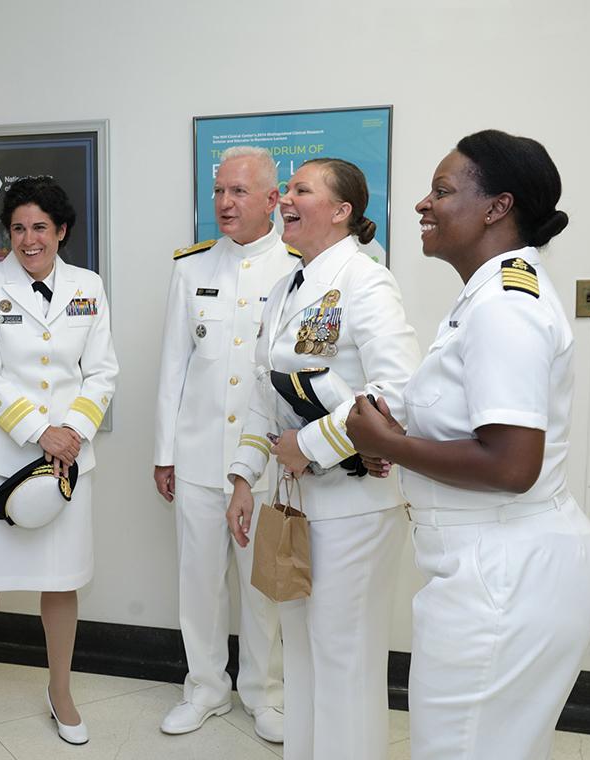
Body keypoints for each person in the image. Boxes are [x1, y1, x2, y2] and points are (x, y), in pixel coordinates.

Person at [346, 130, 590, 760]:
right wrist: (401, 440)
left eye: (442, 191)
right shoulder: (486, 295)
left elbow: (513, 464)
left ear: (497, 207)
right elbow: (475, 433)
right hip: (489, 566)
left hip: (504, 576)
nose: (422, 205)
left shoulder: (505, 306)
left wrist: (391, 443)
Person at [226, 158, 420, 760]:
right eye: (285, 189)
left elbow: (397, 390)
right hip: (298, 502)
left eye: (300, 190)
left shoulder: (365, 280)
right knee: (303, 652)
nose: (285, 199)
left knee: (345, 655)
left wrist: (309, 448)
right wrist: (243, 475)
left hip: (356, 503)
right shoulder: (288, 285)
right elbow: (265, 388)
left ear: (341, 211)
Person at [0, 176, 118, 748]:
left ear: (61, 231)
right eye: (18, 227)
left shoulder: (88, 286)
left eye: (40, 227)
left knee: (60, 586)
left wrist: (73, 432)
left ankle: (60, 690)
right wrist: (42, 431)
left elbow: (103, 371)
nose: (28, 239)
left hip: (67, 464)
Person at [153, 145, 294, 741]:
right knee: (199, 578)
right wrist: (165, 453)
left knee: (262, 585)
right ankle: (205, 687)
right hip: (198, 454)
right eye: (219, 192)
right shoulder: (191, 267)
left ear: (271, 199)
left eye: (239, 192)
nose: (225, 203)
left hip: (263, 460)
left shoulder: (294, 266)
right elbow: (172, 368)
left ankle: (265, 692)